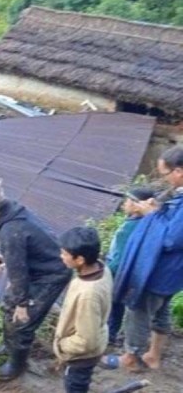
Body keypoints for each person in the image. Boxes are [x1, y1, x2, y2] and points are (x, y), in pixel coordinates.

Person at [0, 178, 71, 380]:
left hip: (50, 274)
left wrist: (23, 303)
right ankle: (9, 347)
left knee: (23, 321)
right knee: (8, 306)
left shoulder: (11, 230)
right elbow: (17, 264)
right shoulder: (11, 213)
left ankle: (17, 364)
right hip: (37, 268)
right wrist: (16, 295)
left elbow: (19, 268)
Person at [106, 146, 183, 372]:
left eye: (165, 174)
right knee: (161, 310)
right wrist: (159, 210)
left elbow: (171, 239)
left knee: (138, 310)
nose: (164, 179)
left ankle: (131, 356)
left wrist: (151, 215)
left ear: (178, 171)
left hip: (160, 270)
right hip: (173, 273)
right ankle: (153, 355)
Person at [55, 227, 112, 393]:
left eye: (64, 253)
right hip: (95, 339)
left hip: (81, 357)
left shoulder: (88, 294)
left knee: (75, 385)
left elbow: (87, 341)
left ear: (79, 259)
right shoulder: (101, 268)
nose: (61, 256)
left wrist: (62, 345)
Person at [105, 187, 156, 345]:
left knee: (113, 304)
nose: (123, 205)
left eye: (127, 201)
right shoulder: (140, 223)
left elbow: (119, 256)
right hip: (126, 272)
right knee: (117, 302)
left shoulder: (131, 227)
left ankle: (109, 335)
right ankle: (112, 334)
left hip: (117, 271)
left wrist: (107, 270)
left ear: (136, 205)